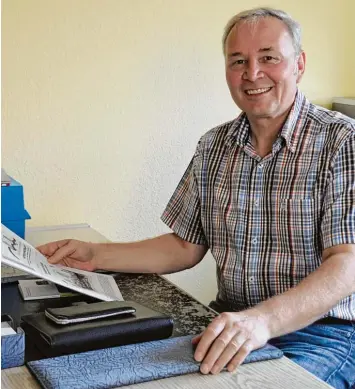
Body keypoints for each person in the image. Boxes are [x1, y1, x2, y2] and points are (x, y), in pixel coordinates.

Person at [38, 7, 355, 389]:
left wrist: (262, 321)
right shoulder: (214, 145)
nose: (252, 73)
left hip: (324, 334)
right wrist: (96, 255)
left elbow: (347, 263)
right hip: (228, 322)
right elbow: (186, 246)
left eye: (269, 57)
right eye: (238, 61)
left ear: (299, 64)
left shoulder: (343, 142)